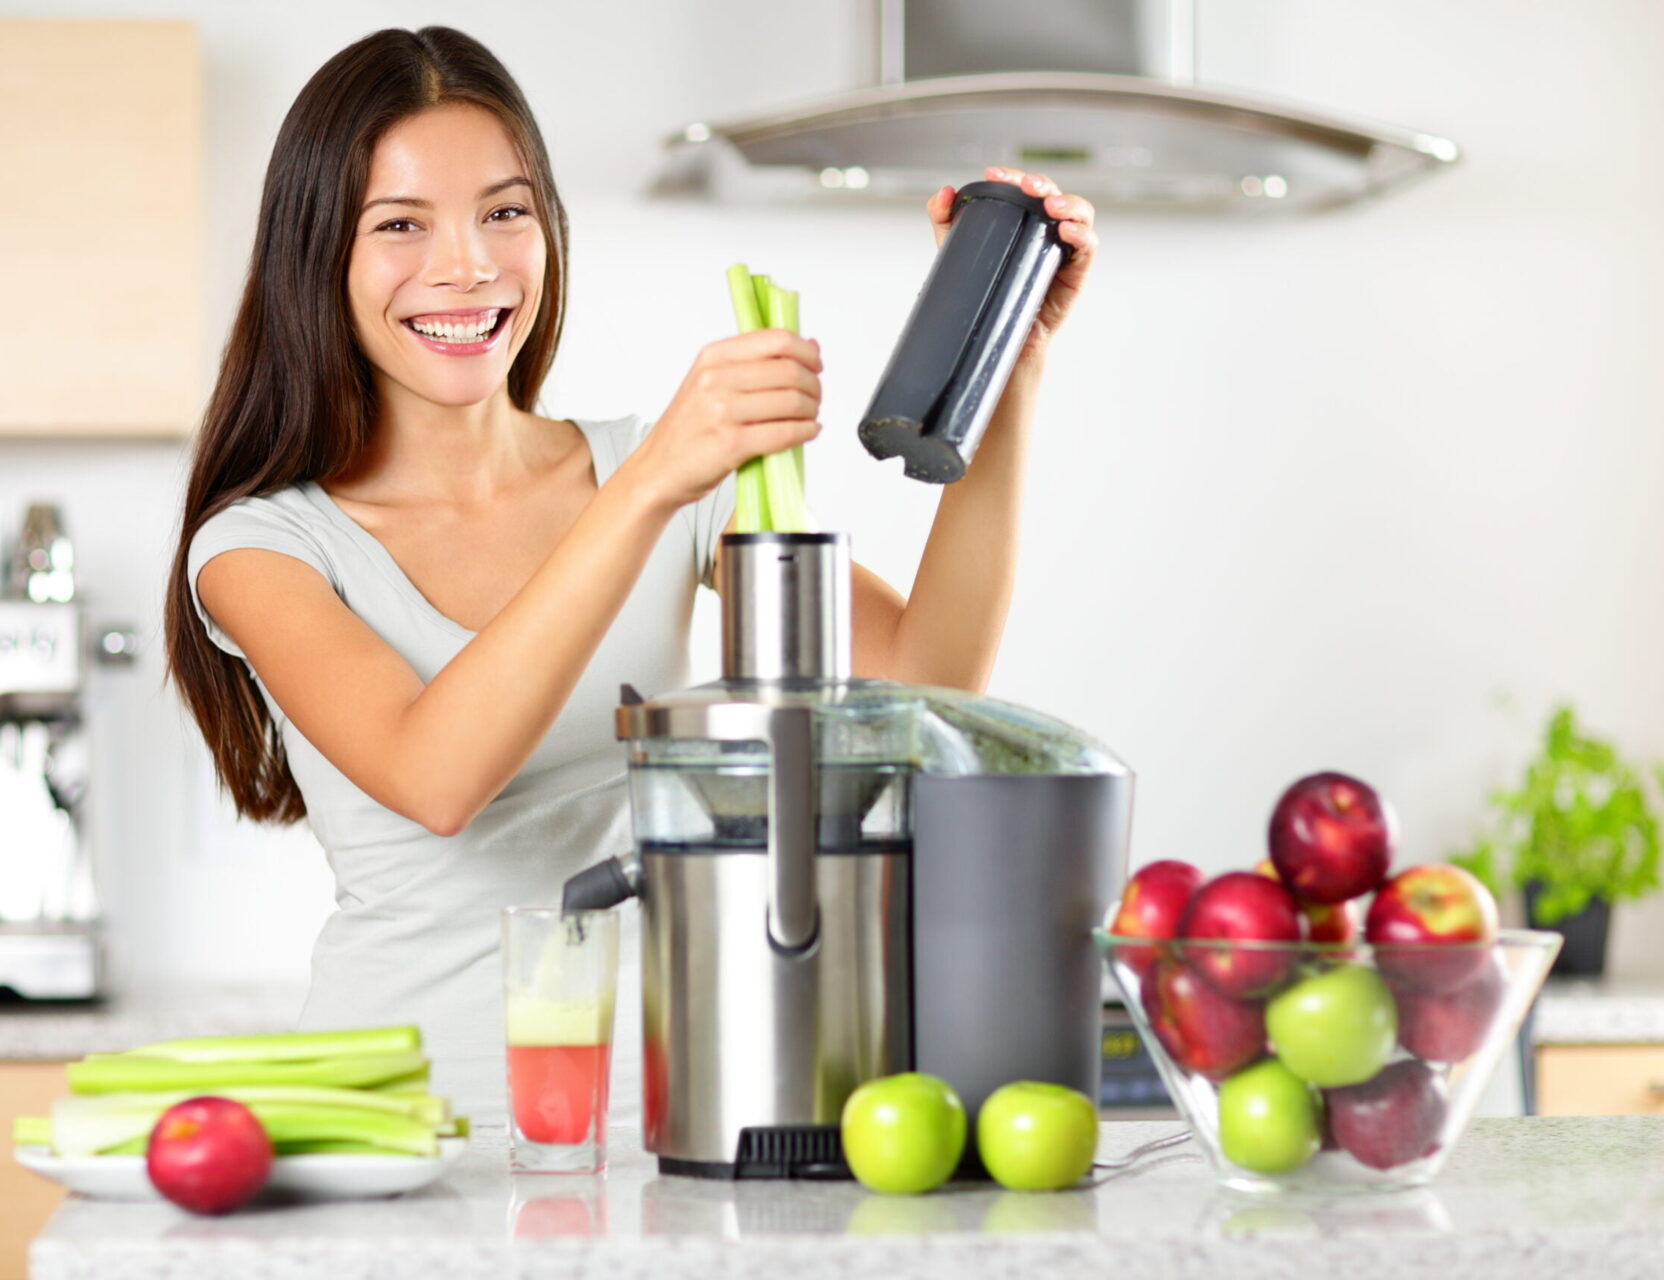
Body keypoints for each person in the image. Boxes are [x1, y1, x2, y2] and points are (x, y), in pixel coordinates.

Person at [164, 26, 1098, 1120]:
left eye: (504, 212)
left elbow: (930, 680)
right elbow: (437, 775)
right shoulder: (263, 548)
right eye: (400, 224)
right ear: (316, 252)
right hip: (408, 1127)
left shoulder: (658, 478)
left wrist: (1014, 364)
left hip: (673, 1106)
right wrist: (648, 482)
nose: (466, 265)